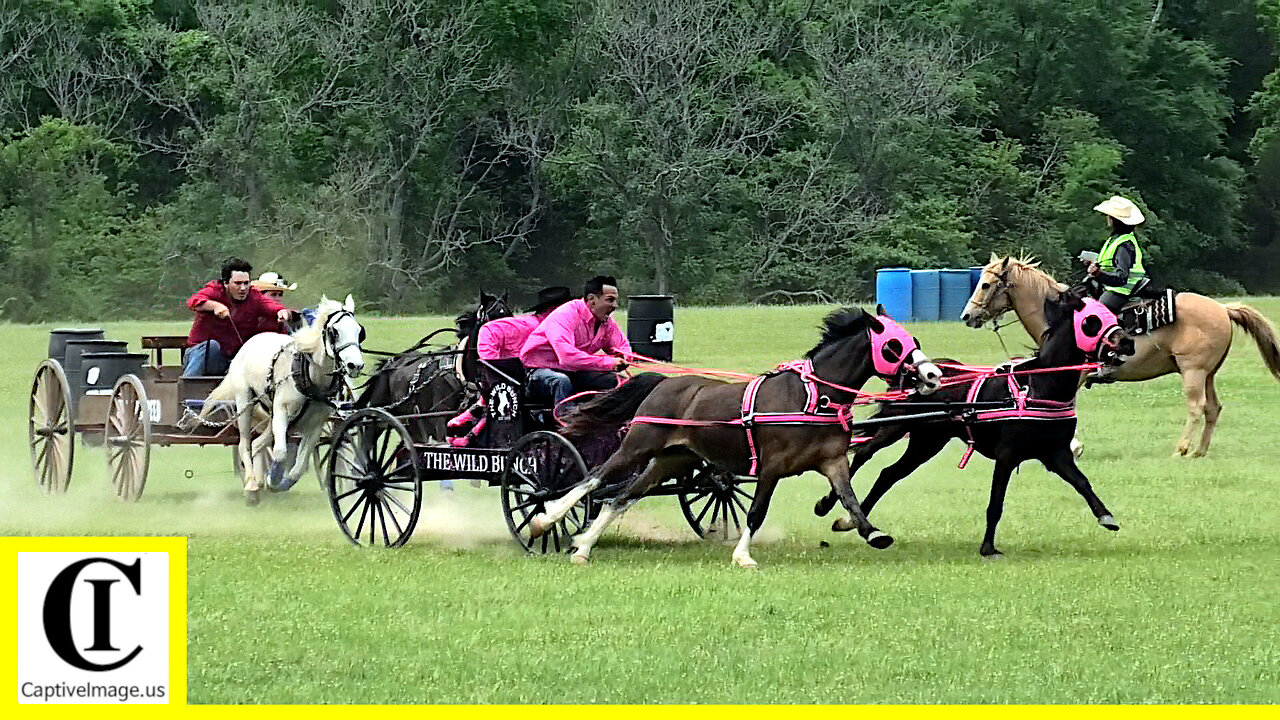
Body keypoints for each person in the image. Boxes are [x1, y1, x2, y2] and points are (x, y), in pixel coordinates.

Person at [447, 286, 573, 448]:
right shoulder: (526, 326)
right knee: (559, 381)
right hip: (524, 378)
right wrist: (493, 370)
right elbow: (489, 331)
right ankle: (565, 425)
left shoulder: (565, 327)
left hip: (541, 373)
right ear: (553, 310)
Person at [519, 275, 631, 409]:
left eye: (615, 300)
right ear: (591, 300)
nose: (615, 306)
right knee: (561, 381)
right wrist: (609, 363)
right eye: (610, 300)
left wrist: (624, 357)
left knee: (620, 383)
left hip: (575, 370)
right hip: (539, 371)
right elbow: (567, 358)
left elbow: (621, 346)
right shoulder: (564, 316)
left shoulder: (606, 322)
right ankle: (567, 421)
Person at [184, 258, 291, 377]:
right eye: (238, 283)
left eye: (246, 283)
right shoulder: (214, 290)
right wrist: (215, 306)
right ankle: (189, 387)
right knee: (213, 347)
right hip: (201, 355)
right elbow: (193, 302)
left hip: (233, 359)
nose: (243, 288)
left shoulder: (254, 296)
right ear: (226, 283)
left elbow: (269, 305)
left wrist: (281, 311)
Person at [1082, 195, 1149, 313]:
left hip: (1120, 291)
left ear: (1114, 219)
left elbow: (1121, 279)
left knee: (1094, 315)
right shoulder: (1116, 239)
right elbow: (1110, 264)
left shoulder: (1124, 245)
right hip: (1109, 287)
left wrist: (1099, 274)